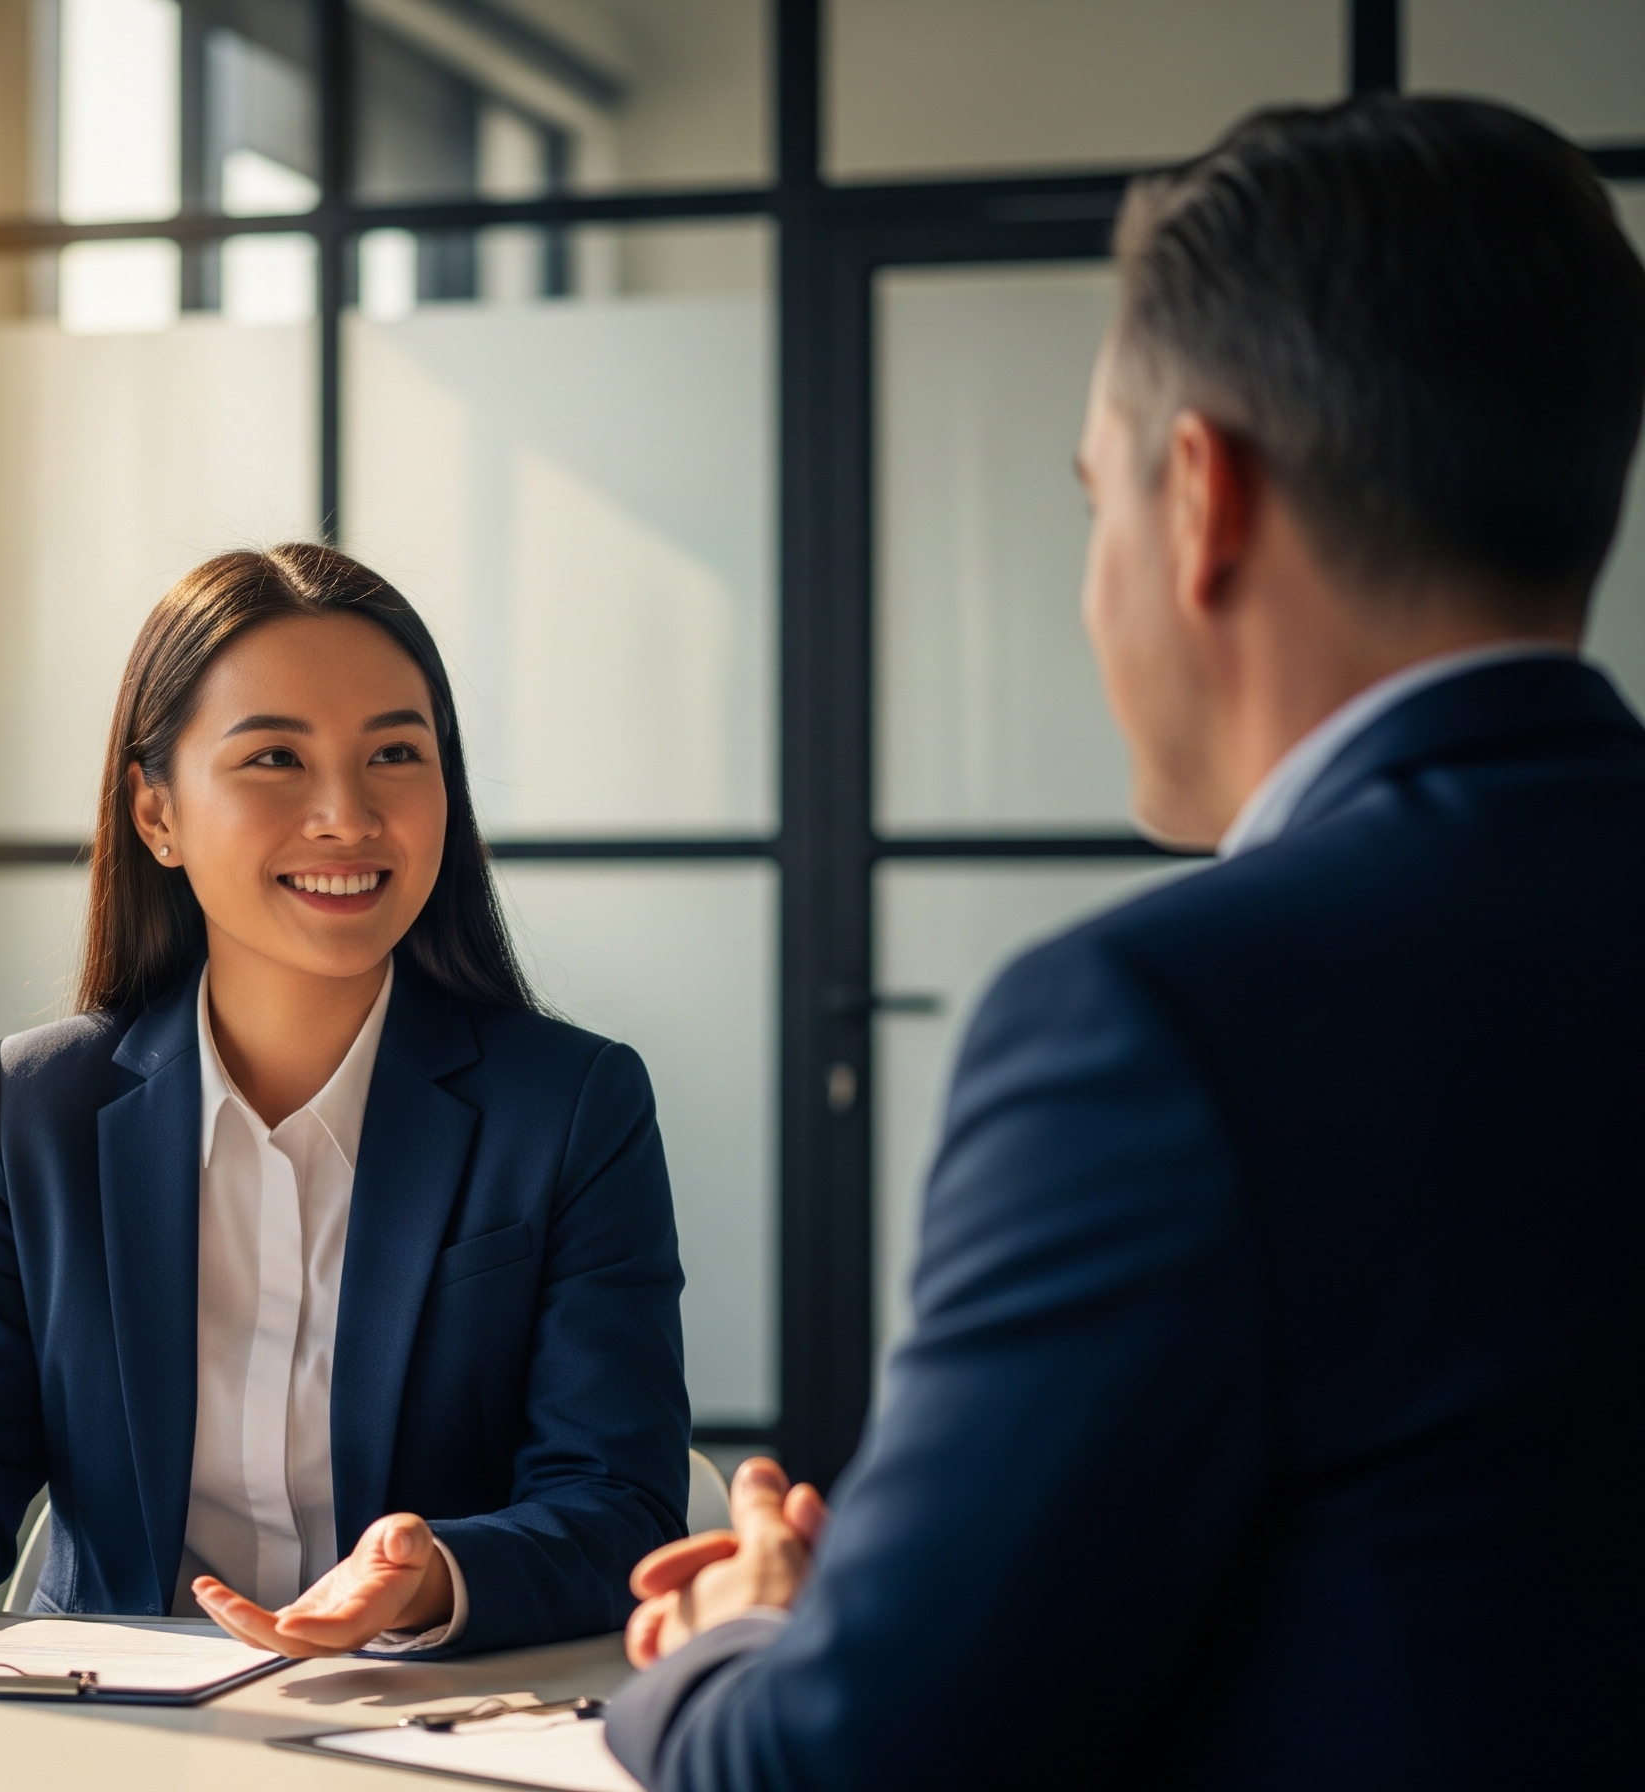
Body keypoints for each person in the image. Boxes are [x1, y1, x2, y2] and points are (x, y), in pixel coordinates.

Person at [609, 95, 1645, 1788]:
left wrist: (739, 1638)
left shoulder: (1158, 1026)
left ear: (1200, 498)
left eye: (1095, 500)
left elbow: (837, 1763)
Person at [0, 544, 690, 1657]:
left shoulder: (570, 1107)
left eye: (395, 753)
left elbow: (616, 1503)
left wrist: (436, 1576)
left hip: (415, 1712)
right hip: (113, 1713)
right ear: (157, 812)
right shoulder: (36, 1107)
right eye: (275, 758)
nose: (346, 814)